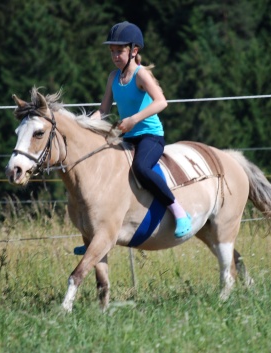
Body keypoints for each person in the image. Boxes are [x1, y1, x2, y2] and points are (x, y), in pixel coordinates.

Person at [74, 21, 191, 255]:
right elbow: (104, 109)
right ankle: (95, 238)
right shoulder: (113, 77)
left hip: (150, 136)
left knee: (141, 169)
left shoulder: (141, 74)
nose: (115, 56)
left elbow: (161, 102)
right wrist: (83, 124)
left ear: (134, 51)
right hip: (128, 137)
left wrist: (133, 120)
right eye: (112, 52)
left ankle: (179, 212)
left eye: (120, 51)